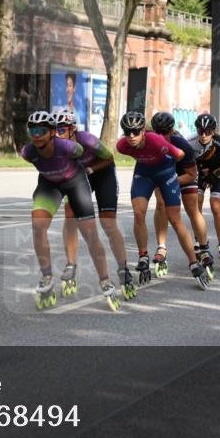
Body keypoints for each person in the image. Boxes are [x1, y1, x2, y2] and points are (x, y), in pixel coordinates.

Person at [21, 111, 120, 311]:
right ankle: (47, 276)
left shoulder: (68, 146)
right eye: (32, 131)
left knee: (90, 234)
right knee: (37, 224)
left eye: (41, 131)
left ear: (51, 133)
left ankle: (105, 281)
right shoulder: (28, 152)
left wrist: (87, 170)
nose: (36, 135)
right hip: (49, 185)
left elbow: (82, 153)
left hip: (75, 183)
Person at [116, 111, 210, 290]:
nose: (131, 137)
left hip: (165, 173)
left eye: (135, 132)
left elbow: (180, 155)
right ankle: (143, 256)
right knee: (138, 212)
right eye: (127, 132)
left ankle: (193, 263)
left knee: (174, 219)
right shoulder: (121, 145)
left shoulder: (157, 141)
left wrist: (169, 169)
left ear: (144, 130)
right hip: (144, 174)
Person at [53, 109, 135, 302]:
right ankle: (71, 264)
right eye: (54, 130)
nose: (57, 134)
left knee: (108, 223)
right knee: (70, 215)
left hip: (102, 172)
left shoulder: (87, 140)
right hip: (81, 178)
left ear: (72, 130)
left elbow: (109, 158)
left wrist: (89, 168)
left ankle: (123, 268)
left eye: (61, 129)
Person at [150, 111, 215, 281]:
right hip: (163, 174)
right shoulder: (149, 143)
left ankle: (204, 247)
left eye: (165, 132)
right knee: (161, 204)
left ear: (171, 131)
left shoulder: (183, 145)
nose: (161, 136)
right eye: (157, 132)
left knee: (192, 209)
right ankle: (161, 247)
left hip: (184, 174)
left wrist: (171, 181)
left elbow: (192, 175)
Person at [189, 113, 220, 270]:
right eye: (200, 131)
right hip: (200, 174)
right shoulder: (190, 142)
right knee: (197, 203)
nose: (203, 135)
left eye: (208, 132)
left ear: (213, 131)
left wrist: (216, 173)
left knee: (216, 207)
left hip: (218, 173)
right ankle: (200, 239)